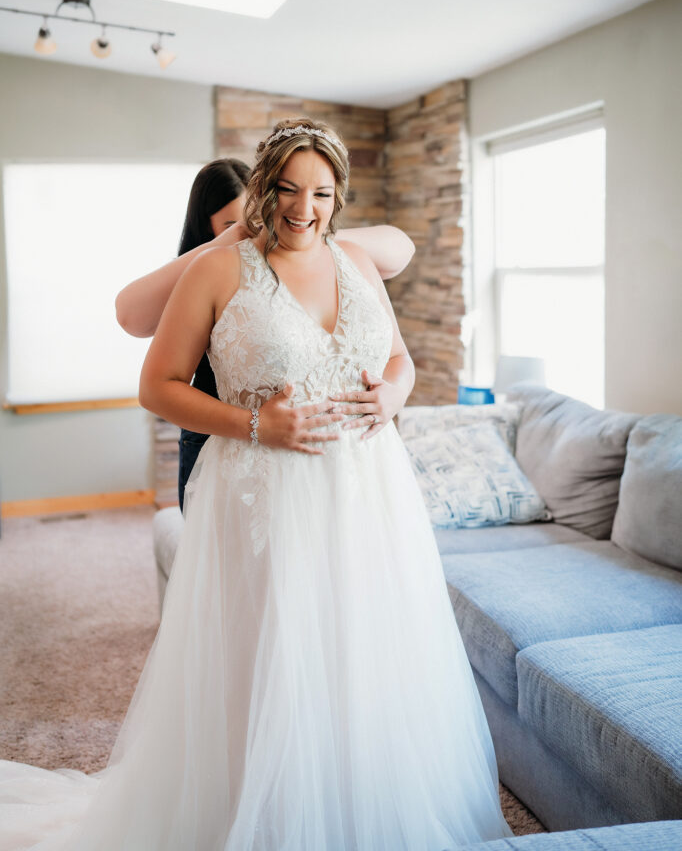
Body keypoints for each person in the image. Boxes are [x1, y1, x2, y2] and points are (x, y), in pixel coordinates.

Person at [0, 118, 513, 849]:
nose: (304, 208)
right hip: (264, 492)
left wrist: (396, 395)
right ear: (261, 190)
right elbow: (157, 384)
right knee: (270, 659)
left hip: (369, 492)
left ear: (338, 196)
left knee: (361, 653)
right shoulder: (217, 268)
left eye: (322, 193)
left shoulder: (359, 263)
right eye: (288, 189)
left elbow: (399, 360)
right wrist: (253, 425)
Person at [115, 155, 417, 510]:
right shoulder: (208, 270)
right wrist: (234, 238)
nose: (258, 225)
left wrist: (299, 234)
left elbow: (400, 248)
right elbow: (130, 315)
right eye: (235, 222)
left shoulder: (315, 242)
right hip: (220, 433)